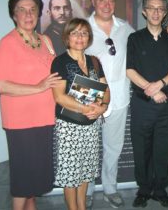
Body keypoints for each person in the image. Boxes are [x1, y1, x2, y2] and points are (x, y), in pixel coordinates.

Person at [0, 0, 61, 210]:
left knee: (35, 178)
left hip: (45, 117)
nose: (28, 14)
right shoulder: (8, 43)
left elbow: (55, 73)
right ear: (14, 15)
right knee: (23, 179)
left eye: (32, 9)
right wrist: (38, 87)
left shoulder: (45, 40)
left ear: (39, 13)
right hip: (21, 121)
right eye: (21, 10)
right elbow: (0, 85)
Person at [126, 0, 168, 208]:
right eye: (151, 8)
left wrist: (160, 84)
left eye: (160, 8)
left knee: (163, 148)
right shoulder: (134, 38)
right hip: (142, 103)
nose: (156, 12)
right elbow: (130, 71)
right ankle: (143, 189)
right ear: (144, 11)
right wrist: (152, 90)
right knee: (141, 148)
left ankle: (160, 190)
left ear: (165, 13)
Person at [84, 0, 135, 209]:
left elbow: (142, 52)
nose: (107, 4)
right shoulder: (82, 28)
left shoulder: (125, 28)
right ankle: (84, 191)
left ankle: (110, 188)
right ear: (93, 1)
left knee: (113, 146)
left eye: (111, 0)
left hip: (120, 96)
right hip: (90, 98)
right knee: (88, 148)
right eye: (102, 0)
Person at [51, 18, 110, 210]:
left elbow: (105, 89)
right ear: (67, 37)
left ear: (89, 38)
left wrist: (102, 107)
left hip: (91, 126)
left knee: (85, 172)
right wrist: (88, 109)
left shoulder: (94, 61)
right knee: (71, 176)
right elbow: (59, 97)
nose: (80, 37)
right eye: (75, 33)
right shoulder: (60, 62)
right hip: (69, 127)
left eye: (84, 33)